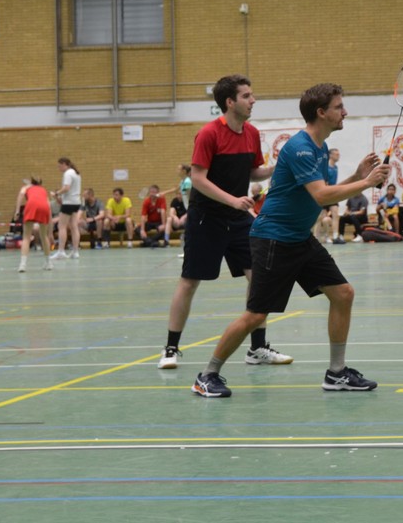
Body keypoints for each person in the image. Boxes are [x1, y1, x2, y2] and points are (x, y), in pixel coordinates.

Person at [192, 83, 390, 398]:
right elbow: (321, 195)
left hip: (298, 238)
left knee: (343, 294)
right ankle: (207, 375)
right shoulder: (300, 148)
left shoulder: (320, 147)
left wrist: (356, 177)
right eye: (339, 107)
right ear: (321, 112)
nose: (345, 112)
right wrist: (366, 183)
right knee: (256, 315)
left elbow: (322, 193)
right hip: (274, 239)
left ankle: (336, 373)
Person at [158, 75, 287, 372]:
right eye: (246, 96)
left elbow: (252, 172)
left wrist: (276, 167)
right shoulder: (209, 134)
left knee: (258, 278)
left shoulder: (251, 133)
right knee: (190, 281)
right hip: (207, 217)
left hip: (238, 218)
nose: (253, 100)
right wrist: (232, 200)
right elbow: (198, 178)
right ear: (230, 102)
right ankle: (171, 347)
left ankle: (257, 348)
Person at [16, 176, 54, 273]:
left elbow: (20, 196)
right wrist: (50, 232)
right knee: (44, 236)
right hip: (44, 208)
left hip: (31, 205)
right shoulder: (43, 190)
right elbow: (48, 207)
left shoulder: (26, 187)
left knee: (26, 237)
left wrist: (17, 211)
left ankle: (22, 265)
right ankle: (49, 263)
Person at [51, 157, 82, 259]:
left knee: (62, 226)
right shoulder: (76, 173)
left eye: (60, 166)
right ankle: (75, 252)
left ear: (65, 164)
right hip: (76, 202)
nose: (59, 168)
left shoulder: (68, 173)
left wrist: (56, 193)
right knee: (74, 226)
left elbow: (66, 188)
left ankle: (61, 251)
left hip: (68, 202)